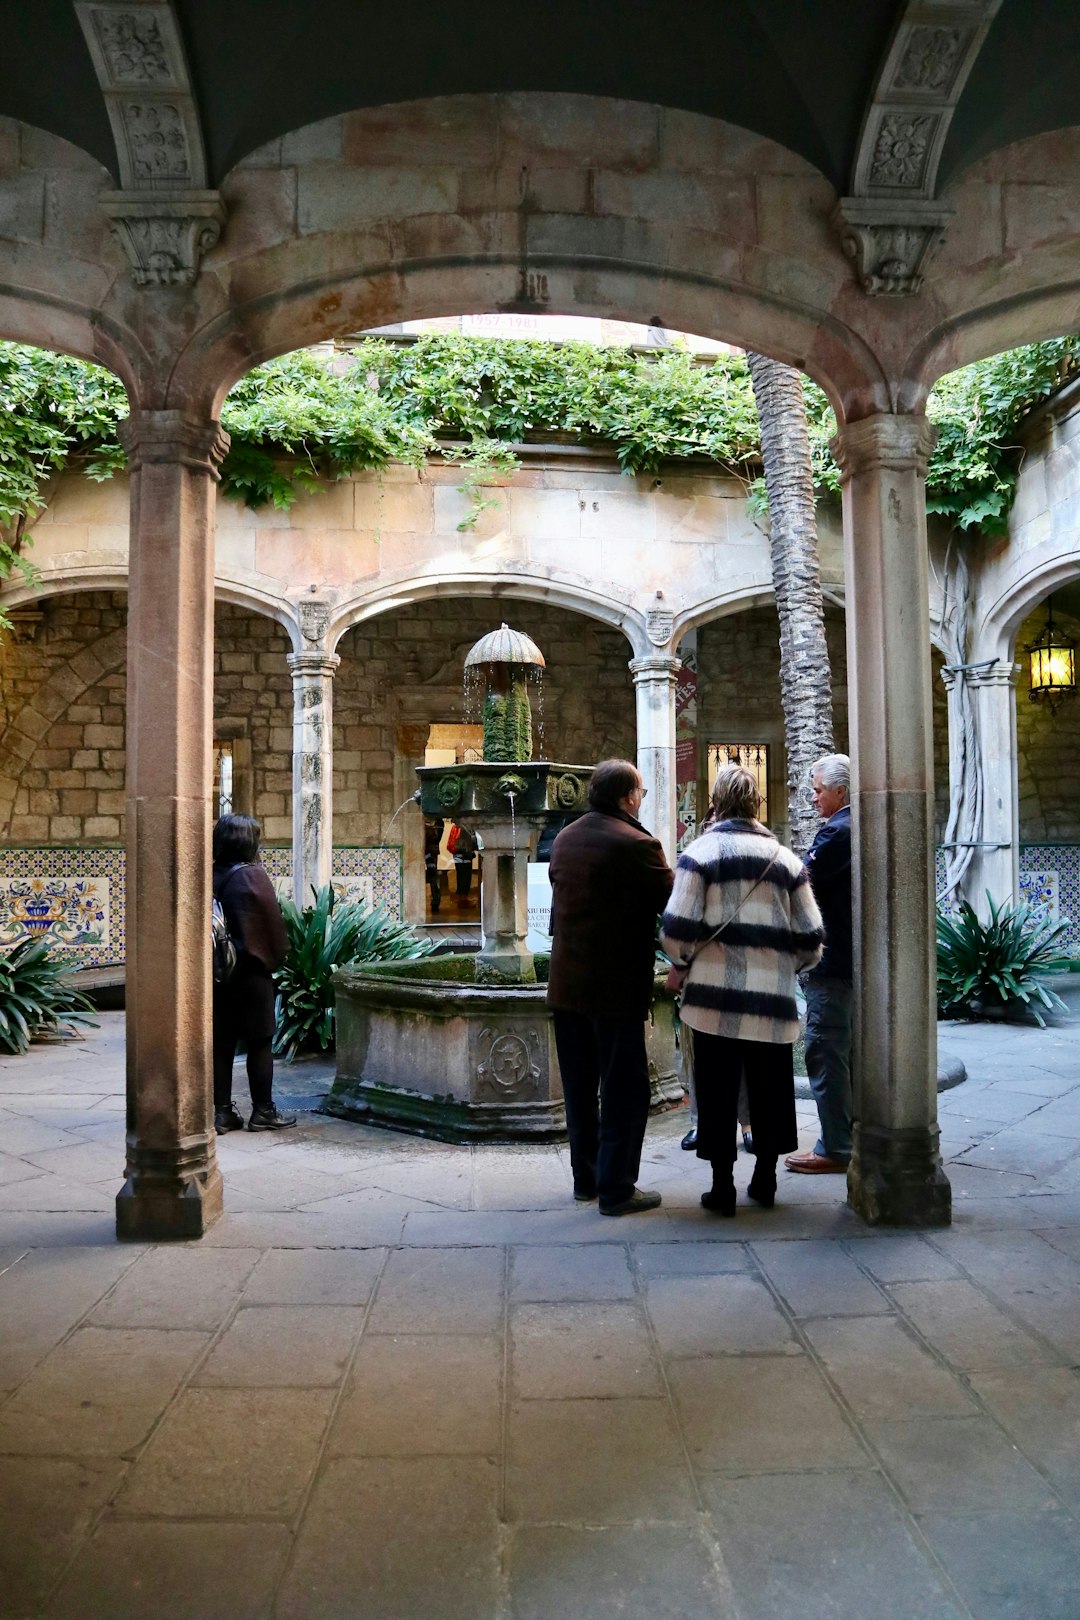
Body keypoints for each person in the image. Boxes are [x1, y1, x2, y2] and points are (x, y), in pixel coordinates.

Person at [661, 765, 823, 1215]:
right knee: (770, 1088)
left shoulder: (701, 853)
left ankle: (721, 1188)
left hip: (712, 1002)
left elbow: (676, 932)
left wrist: (683, 961)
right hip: (771, 1003)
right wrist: (780, 967)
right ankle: (766, 1179)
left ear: (717, 801)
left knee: (715, 1090)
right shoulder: (786, 862)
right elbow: (811, 940)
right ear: (757, 805)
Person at [547, 758, 674, 1216]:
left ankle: (586, 1181)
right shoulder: (637, 843)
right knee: (624, 1088)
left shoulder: (565, 838)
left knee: (579, 1087)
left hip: (565, 986)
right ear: (628, 797)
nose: (642, 800)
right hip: (615, 988)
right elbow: (673, 905)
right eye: (640, 792)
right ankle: (617, 1188)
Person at [786, 753, 853, 1176]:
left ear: (840, 790)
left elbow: (798, 883)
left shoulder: (835, 834)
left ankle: (835, 1147)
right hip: (851, 959)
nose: (813, 798)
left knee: (824, 1050)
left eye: (818, 790)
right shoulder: (854, 825)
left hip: (830, 964)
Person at [212, 814, 296, 1133]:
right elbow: (270, 929)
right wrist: (275, 961)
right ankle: (263, 1110)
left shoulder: (209, 874)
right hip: (250, 975)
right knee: (260, 1041)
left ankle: (222, 1113)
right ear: (248, 842)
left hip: (217, 975)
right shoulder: (251, 875)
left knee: (222, 1043)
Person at [450, 821, 477, 899]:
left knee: (460, 874)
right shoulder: (468, 828)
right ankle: (464, 896)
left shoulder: (456, 826)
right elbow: (473, 841)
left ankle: (459, 893)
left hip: (456, 853)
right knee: (466, 876)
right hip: (466, 854)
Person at [423, 817, 444, 913]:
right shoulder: (437, 824)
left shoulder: (438, 824)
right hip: (430, 853)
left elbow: (436, 838)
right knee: (433, 878)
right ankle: (435, 901)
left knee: (433, 878)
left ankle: (435, 901)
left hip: (430, 854)